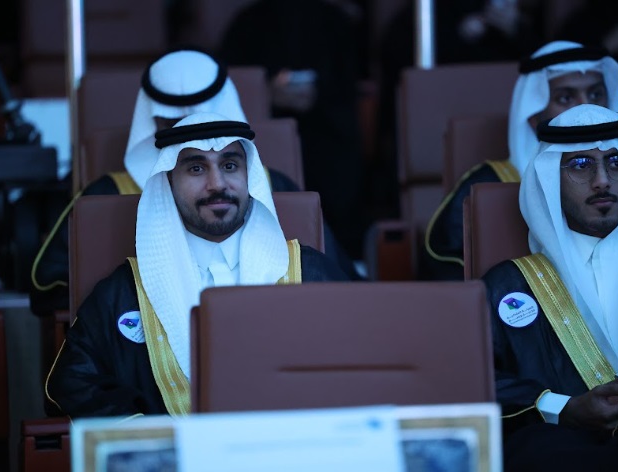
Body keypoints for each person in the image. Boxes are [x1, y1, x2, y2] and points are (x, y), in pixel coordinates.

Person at [46, 113, 349, 418]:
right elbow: (71, 383)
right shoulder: (126, 291)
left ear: (250, 177)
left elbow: (356, 367)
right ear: (168, 183)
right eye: (196, 169)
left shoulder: (309, 273)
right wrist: (149, 432)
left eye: (230, 166)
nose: (217, 184)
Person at [30, 47, 363, 317]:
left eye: (228, 164)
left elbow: (345, 287)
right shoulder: (107, 194)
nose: (216, 184)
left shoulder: (274, 186)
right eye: (175, 127)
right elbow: (47, 287)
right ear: (154, 123)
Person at [482, 104, 618, 470]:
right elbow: (477, 379)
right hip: (569, 451)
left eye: (617, 162)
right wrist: (563, 409)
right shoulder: (509, 285)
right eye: (581, 165)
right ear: (548, 178)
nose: (602, 180)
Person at [421, 41, 618, 280]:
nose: (585, 107)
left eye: (596, 94)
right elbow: (442, 265)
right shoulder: (490, 181)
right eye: (565, 98)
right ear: (534, 116)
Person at [219, 0, 366, 259]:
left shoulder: (336, 23)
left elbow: (352, 87)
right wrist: (267, 93)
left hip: (328, 135)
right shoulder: (247, 24)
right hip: (262, 143)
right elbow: (231, 92)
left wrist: (318, 94)